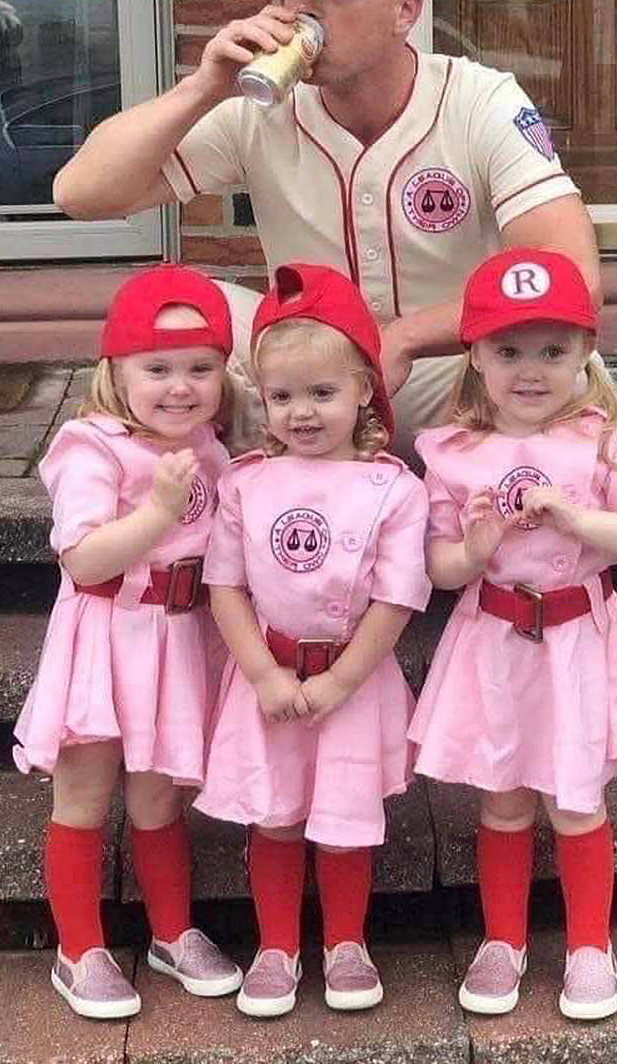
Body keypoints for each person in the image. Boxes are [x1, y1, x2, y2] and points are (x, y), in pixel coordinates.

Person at [51, 0, 601, 457]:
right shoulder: (259, 108)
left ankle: (524, 513)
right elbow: (80, 193)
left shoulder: (478, 99)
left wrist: (409, 337)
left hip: (447, 377)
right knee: (182, 314)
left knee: (564, 361)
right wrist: (203, 87)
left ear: (405, 11)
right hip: (308, 386)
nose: (307, 8)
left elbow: (575, 279)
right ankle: (194, 513)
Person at [407, 247, 617, 1021]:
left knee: (576, 800)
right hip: (494, 643)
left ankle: (590, 945)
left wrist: (577, 517)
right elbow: (439, 567)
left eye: (554, 351)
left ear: (586, 353)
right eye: (508, 350)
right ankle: (504, 940)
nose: (531, 370)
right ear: (475, 355)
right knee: (502, 800)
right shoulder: (452, 453)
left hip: (576, 645)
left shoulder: (604, 438)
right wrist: (476, 550)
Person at [193, 261, 431, 1017]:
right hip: (268, 675)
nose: (302, 412)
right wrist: (262, 673)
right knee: (275, 814)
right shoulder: (245, 482)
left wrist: (339, 681)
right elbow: (224, 584)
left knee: (345, 817)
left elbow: (397, 598)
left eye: (322, 393)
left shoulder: (395, 488)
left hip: (352, 682)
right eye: (283, 395)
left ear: (364, 389)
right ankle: (275, 944)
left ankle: (346, 942)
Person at [13, 264, 244, 1019]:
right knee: (84, 791)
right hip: (106, 636)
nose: (180, 387)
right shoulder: (91, 445)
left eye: (201, 368)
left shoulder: (211, 447)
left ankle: (170, 933)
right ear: (117, 369)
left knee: (160, 791)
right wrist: (157, 514)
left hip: (178, 638)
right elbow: (83, 557)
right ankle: (79, 949)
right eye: (158, 368)